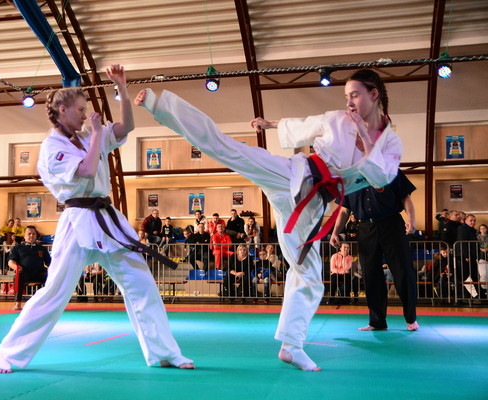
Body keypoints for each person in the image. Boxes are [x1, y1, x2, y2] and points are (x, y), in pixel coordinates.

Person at [136, 68, 403, 371]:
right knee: (227, 148)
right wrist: (269, 124)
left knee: (309, 275)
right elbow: (303, 125)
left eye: (354, 95)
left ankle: (291, 346)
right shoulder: (337, 119)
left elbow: (381, 178)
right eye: (346, 96)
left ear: (374, 94)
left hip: (311, 206)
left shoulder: (391, 143)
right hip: (292, 175)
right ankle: (161, 106)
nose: (349, 102)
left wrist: (365, 136)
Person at [0, 65, 194, 374]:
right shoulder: (53, 146)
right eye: (80, 110)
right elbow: (86, 171)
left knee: (141, 283)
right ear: (62, 110)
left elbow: (126, 127)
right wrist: (98, 133)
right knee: (55, 292)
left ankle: (165, 352)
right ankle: (8, 354)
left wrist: (121, 87)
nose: (85, 115)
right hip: (77, 220)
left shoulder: (87, 135)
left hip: (108, 220)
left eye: (86, 110)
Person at [330, 171, 419, 332]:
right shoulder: (350, 177)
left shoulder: (389, 169)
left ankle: (411, 318)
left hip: (392, 224)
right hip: (365, 227)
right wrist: (335, 232)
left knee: (403, 271)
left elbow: (405, 197)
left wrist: (411, 219)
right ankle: (377, 321)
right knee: (370, 274)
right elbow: (344, 210)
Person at [8, 226, 51, 311]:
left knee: (50, 275)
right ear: (24, 236)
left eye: (33, 234)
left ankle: (48, 303)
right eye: (29, 234)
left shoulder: (42, 248)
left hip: (39, 273)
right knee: (18, 275)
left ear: (36, 236)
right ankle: (18, 303)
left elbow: (49, 262)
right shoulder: (17, 247)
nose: (31, 235)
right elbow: (10, 262)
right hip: (24, 273)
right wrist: (16, 267)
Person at [455, 214, 483, 299]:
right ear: (465, 220)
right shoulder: (462, 228)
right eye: (471, 220)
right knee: (464, 276)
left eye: (474, 221)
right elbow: (462, 243)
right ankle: (463, 296)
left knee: (474, 276)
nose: (473, 222)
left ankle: (479, 295)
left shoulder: (473, 230)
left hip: (472, 255)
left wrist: (477, 256)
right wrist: (466, 256)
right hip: (465, 256)